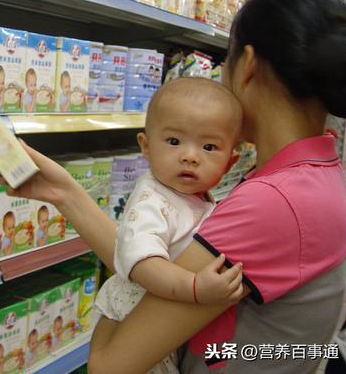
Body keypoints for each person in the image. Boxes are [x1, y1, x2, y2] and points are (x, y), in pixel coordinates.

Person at [0, 0, 346, 373]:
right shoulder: (312, 176)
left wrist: (119, 300)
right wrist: (65, 193)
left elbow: (110, 363)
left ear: (246, 66)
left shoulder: (276, 202)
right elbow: (158, 260)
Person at [93, 77, 244, 373]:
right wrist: (195, 287)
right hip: (135, 317)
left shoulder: (196, 197)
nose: (190, 156)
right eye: (174, 141)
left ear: (230, 161)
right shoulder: (152, 200)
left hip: (165, 312)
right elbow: (143, 264)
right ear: (146, 146)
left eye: (209, 146)